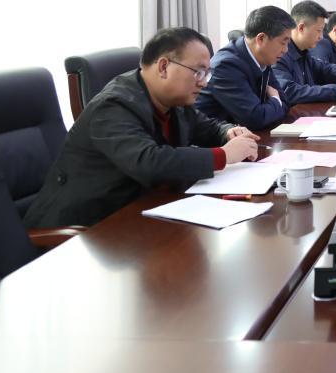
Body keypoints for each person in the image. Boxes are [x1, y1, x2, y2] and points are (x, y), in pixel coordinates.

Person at [25, 27, 261, 229]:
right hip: (87, 227)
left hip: (141, 211)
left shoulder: (173, 100)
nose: (203, 82)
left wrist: (228, 132)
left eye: (206, 74)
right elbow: (148, 162)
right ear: (164, 67)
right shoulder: (113, 106)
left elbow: (205, 126)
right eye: (198, 72)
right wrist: (224, 155)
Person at [196, 5, 295, 130]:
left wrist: (271, 107)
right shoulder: (226, 66)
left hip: (245, 135)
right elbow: (255, 119)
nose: (285, 50)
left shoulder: (264, 59)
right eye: (283, 42)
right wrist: (275, 100)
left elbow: (285, 103)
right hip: (213, 138)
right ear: (261, 39)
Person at [274, 0, 336, 105]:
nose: (321, 37)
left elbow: (325, 68)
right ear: (301, 28)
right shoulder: (279, 55)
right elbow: (290, 92)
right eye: (319, 30)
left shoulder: (303, 52)